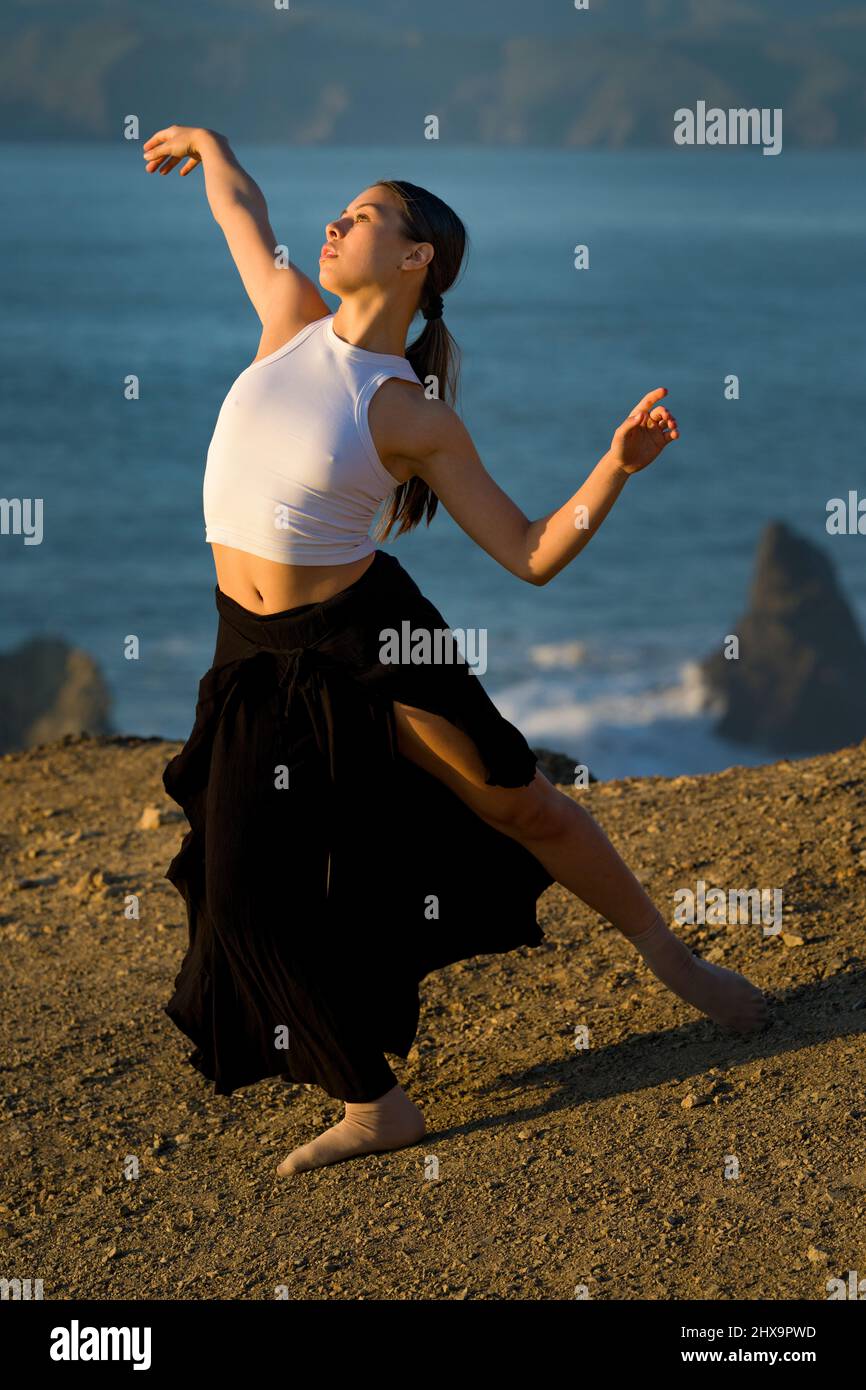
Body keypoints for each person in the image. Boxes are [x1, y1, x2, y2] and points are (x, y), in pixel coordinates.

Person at [144, 126, 769, 1177]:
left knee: (516, 801)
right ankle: (376, 1102)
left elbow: (528, 553)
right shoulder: (289, 319)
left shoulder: (408, 413)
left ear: (414, 257)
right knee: (236, 891)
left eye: (363, 213)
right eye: (338, 210)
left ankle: (672, 955)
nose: (333, 221)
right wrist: (210, 147)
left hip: (367, 636)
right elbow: (241, 213)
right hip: (249, 651)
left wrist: (613, 469)